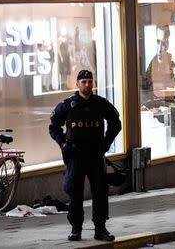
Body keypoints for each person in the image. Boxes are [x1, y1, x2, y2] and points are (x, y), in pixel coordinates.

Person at [49, 70, 121, 242]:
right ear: (77, 84)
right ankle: (76, 229)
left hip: (95, 154)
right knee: (75, 194)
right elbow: (53, 127)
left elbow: (115, 123)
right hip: (76, 155)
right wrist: (63, 143)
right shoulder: (67, 105)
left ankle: (100, 229)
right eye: (84, 81)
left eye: (90, 81)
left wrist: (105, 143)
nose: (87, 84)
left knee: (100, 192)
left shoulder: (100, 103)